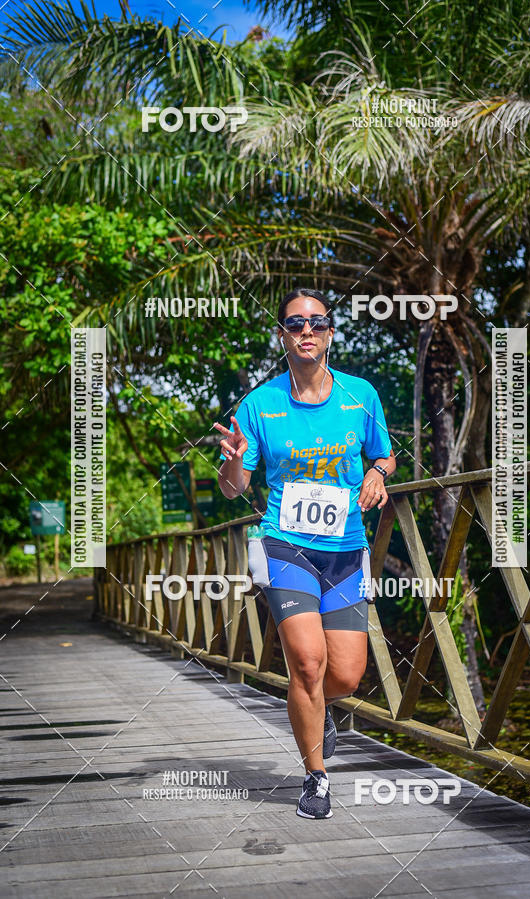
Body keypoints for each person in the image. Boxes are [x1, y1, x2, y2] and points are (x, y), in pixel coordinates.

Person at [214, 287, 396, 819]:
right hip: (284, 545)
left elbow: (384, 456)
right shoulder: (259, 404)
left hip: (346, 549)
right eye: (296, 324)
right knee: (309, 666)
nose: (307, 331)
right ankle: (316, 777)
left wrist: (376, 475)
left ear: (331, 334)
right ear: (283, 336)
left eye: (316, 322)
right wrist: (232, 462)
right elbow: (232, 488)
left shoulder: (361, 394)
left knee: (345, 676)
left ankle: (322, 716)